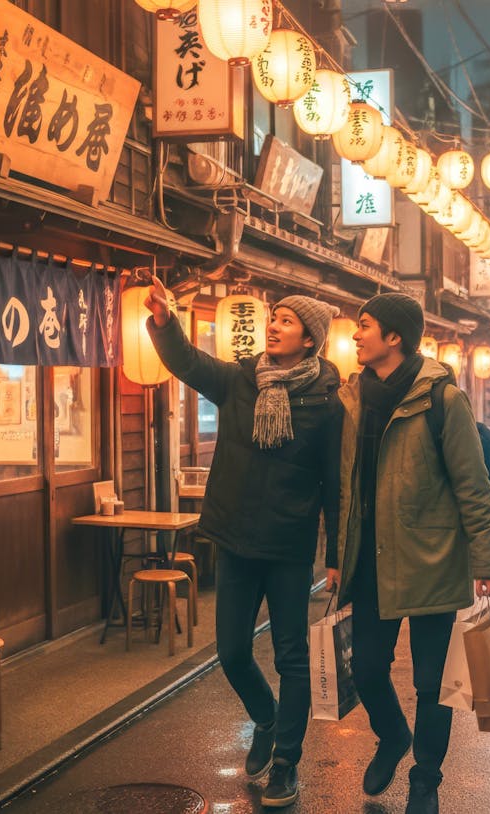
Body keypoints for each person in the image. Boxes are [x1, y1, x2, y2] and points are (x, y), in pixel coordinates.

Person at [145, 278, 343, 809]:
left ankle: (286, 762)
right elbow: (187, 362)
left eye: (286, 320)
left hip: (288, 544)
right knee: (231, 652)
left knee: (291, 657)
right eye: (272, 317)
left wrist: (337, 556)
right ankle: (265, 717)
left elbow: (334, 484)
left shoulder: (327, 402)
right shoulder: (239, 380)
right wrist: (165, 322)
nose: (273, 325)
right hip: (235, 537)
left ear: (310, 340)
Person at [334, 292, 490, 814]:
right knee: (364, 669)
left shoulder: (442, 400)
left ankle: (425, 778)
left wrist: (487, 561)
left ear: (395, 338)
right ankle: (392, 736)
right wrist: (336, 550)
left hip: (431, 555)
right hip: (370, 559)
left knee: (433, 683)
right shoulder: (351, 398)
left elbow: (473, 485)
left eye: (365, 326)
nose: (356, 335)